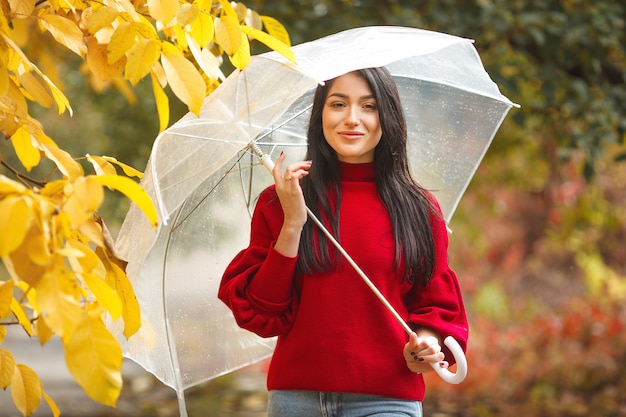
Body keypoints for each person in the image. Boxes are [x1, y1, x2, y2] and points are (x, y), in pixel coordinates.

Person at [219, 66, 468, 417]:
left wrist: (425, 344)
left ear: (388, 117)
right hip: (296, 399)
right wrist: (293, 223)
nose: (352, 119)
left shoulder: (418, 209)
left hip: (387, 399)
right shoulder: (281, 201)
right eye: (338, 104)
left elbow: (434, 303)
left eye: (369, 106)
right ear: (320, 114)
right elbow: (264, 312)